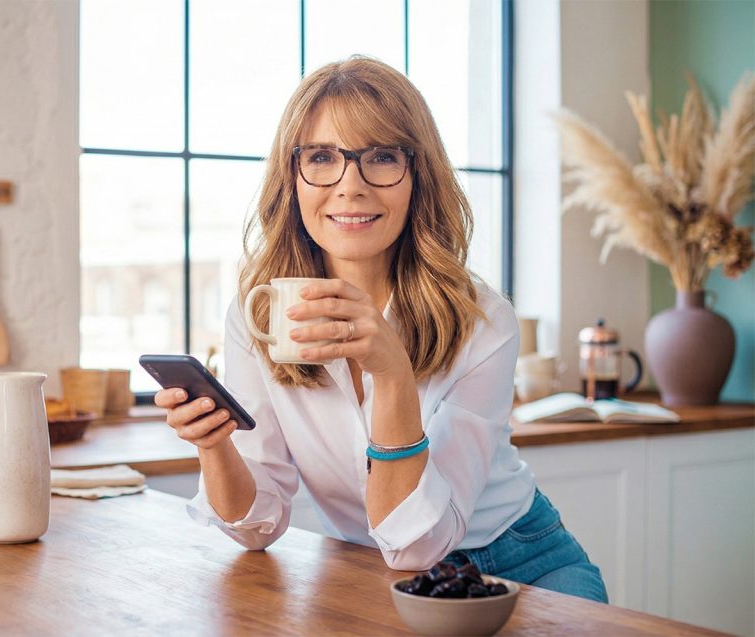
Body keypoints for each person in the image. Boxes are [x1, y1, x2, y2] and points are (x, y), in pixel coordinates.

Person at [154, 56, 608, 603]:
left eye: (382, 157)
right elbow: (256, 527)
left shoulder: (483, 320)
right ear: (290, 177)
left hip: (520, 562)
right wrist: (215, 446)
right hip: (368, 569)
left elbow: (419, 545)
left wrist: (392, 374)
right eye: (322, 158)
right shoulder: (258, 318)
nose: (351, 186)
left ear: (419, 176)